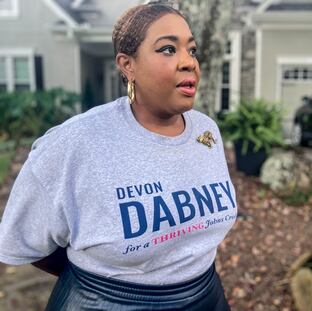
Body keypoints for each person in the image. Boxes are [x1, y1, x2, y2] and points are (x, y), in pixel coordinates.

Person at [0, 3, 237, 310]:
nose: (188, 62)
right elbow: (26, 243)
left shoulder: (206, 131)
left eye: (192, 50)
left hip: (207, 296)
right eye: (167, 49)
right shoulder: (75, 143)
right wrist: (101, 275)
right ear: (128, 65)